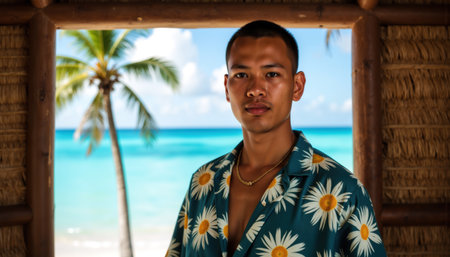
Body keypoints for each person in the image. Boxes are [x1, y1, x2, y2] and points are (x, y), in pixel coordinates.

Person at [166, 20, 387, 257]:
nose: (255, 89)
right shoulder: (202, 183)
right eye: (241, 74)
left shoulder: (341, 192)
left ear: (297, 86)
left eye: (271, 74)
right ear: (226, 88)